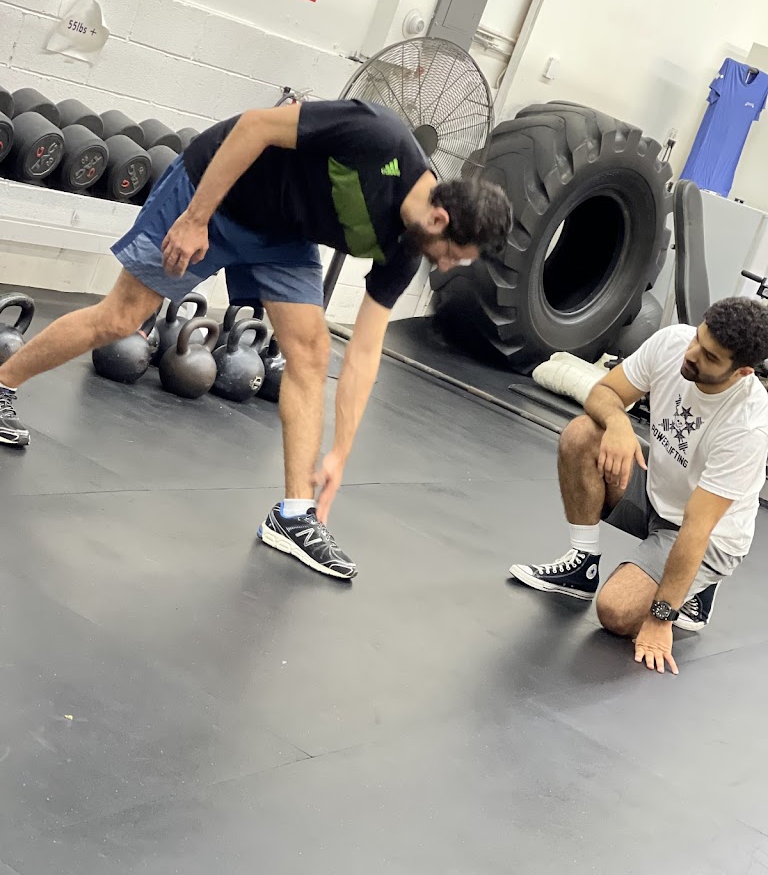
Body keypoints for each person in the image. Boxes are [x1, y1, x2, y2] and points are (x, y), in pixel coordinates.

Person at [0, 98, 511, 580]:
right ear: (439, 219)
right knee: (120, 319)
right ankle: (4, 381)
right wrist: (195, 218)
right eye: (452, 255)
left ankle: (294, 515)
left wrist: (339, 454)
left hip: (282, 235)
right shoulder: (379, 137)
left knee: (311, 353)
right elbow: (255, 126)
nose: (445, 267)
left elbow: (364, 352)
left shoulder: (402, 249)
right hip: (215, 192)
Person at [509, 297, 768, 675]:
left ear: (741, 372)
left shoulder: (747, 428)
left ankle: (698, 587)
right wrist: (618, 424)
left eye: (710, 357)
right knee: (583, 434)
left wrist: (662, 617)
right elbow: (605, 393)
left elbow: (696, 528)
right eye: (698, 338)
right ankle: (582, 567)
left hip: (708, 536)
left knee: (616, 612)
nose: (692, 355)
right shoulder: (672, 343)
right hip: (657, 491)